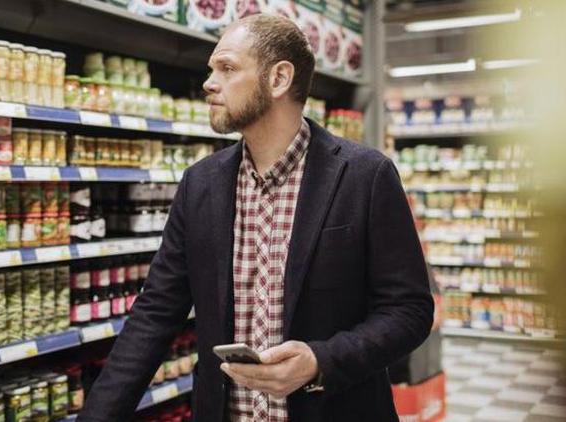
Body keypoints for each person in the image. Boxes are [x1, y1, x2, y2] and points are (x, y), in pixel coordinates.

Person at [77, 14, 433, 422]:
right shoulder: (200, 185)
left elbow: (409, 310)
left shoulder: (364, 176)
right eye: (211, 69)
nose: (209, 82)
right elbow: (155, 313)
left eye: (226, 68)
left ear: (279, 78)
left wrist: (319, 361)